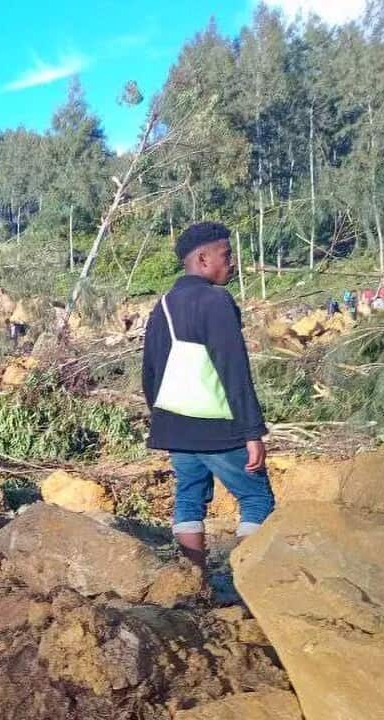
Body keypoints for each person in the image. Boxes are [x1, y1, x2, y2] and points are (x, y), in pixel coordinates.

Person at [141, 221, 274, 571]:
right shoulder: (216, 300)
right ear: (202, 259)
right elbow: (233, 369)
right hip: (219, 426)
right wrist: (252, 432)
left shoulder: (163, 305)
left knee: (189, 497)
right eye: (226, 255)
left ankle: (193, 579)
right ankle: (246, 580)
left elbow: (150, 371)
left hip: (175, 424)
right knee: (256, 497)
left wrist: (164, 418)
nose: (232, 263)